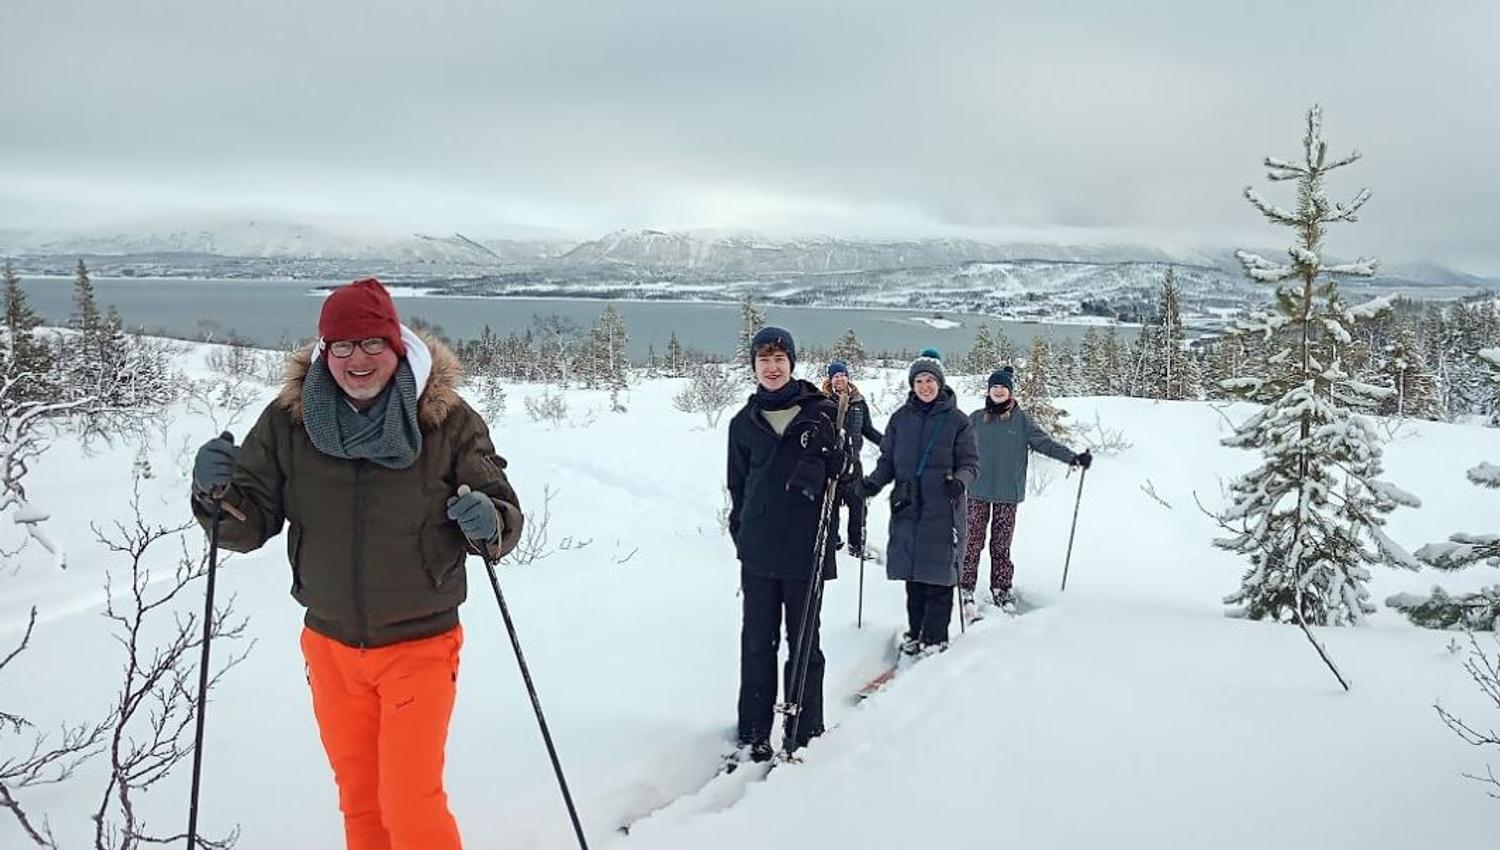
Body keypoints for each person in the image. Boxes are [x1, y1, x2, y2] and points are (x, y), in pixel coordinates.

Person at [190, 277, 523, 850]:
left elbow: (501, 513)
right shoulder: (288, 422)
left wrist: (488, 521)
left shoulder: (445, 420)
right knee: (361, 801)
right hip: (330, 645)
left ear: (395, 345)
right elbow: (248, 526)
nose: (356, 359)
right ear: (324, 351)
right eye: (341, 346)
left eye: (371, 343)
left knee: (410, 802)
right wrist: (214, 495)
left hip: (419, 643)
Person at [727, 327, 847, 762]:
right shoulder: (743, 423)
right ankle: (754, 733)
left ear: (792, 363)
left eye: (779, 359)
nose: (772, 367)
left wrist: (840, 463)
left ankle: (805, 731)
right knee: (757, 643)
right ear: (754, 367)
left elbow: (846, 481)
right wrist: (742, 531)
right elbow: (737, 486)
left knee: (804, 643)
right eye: (764, 360)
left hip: (805, 548)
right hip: (758, 551)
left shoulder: (821, 414)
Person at [862, 349, 978, 655]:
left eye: (930, 380)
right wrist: (872, 483)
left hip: (944, 509)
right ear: (912, 385)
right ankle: (915, 632)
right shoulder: (900, 419)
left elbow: (970, 463)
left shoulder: (958, 421)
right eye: (919, 380)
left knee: (939, 577)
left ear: (940, 383)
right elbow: (888, 460)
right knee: (913, 576)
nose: (925, 386)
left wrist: (960, 482)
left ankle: (935, 638)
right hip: (908, 509)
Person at [961, 366, 1091, 617]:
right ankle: (965, 586)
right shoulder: (975, 418)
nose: (998, 391)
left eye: (1003, 387)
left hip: (1008, 493)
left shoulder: (1021, 421)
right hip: (977, 490)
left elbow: (1045, 444)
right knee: (972, 541)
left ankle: (1001, 587)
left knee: (1001, 545)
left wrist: (1072, 458)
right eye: (994, 387)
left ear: (1010, 392)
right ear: (989, 391)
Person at [821, 360, 882, 558]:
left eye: (842, 375)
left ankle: (856, 547)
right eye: (835, 376)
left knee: (859, 508)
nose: (839, 379)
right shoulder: (824, 402)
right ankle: (832, 542)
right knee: (832, 509)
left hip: (854, 465)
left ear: (848, 376)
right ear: (830, 380)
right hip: (832, 465)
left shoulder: (859, 402)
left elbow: (868, 430)